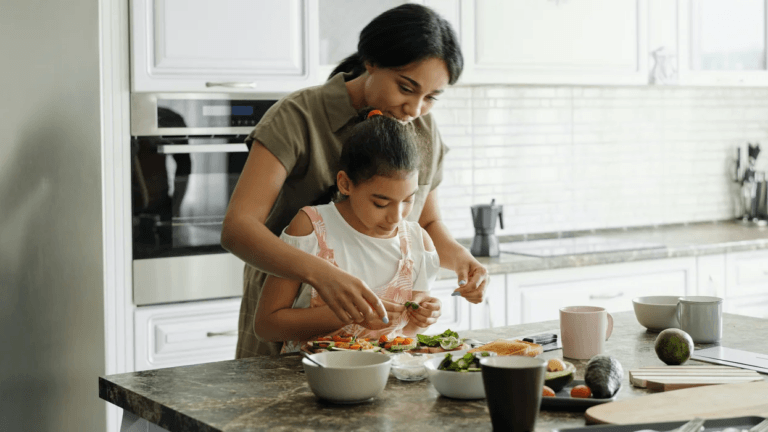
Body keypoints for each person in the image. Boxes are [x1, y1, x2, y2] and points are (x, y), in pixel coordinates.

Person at [221, 3, 489, 358]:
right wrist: (323, 275)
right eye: (406, 87)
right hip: (288, 323)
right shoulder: (297, 116)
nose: (415, 109)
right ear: (371, 62)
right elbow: (238, 229)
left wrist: (462, 260)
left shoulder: (422, 129)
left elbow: (425, 222)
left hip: (377, 346)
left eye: (430, 98)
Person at [254, 109, 440, 352]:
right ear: (345, 183)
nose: (396, 217)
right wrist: (348, 314)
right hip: (310, 379)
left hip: (388, 379)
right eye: (380, 203)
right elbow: (267, 326)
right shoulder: (311, 228)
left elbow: (407, 334)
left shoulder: (418, 243)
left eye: (408, 200)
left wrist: (422, 318)